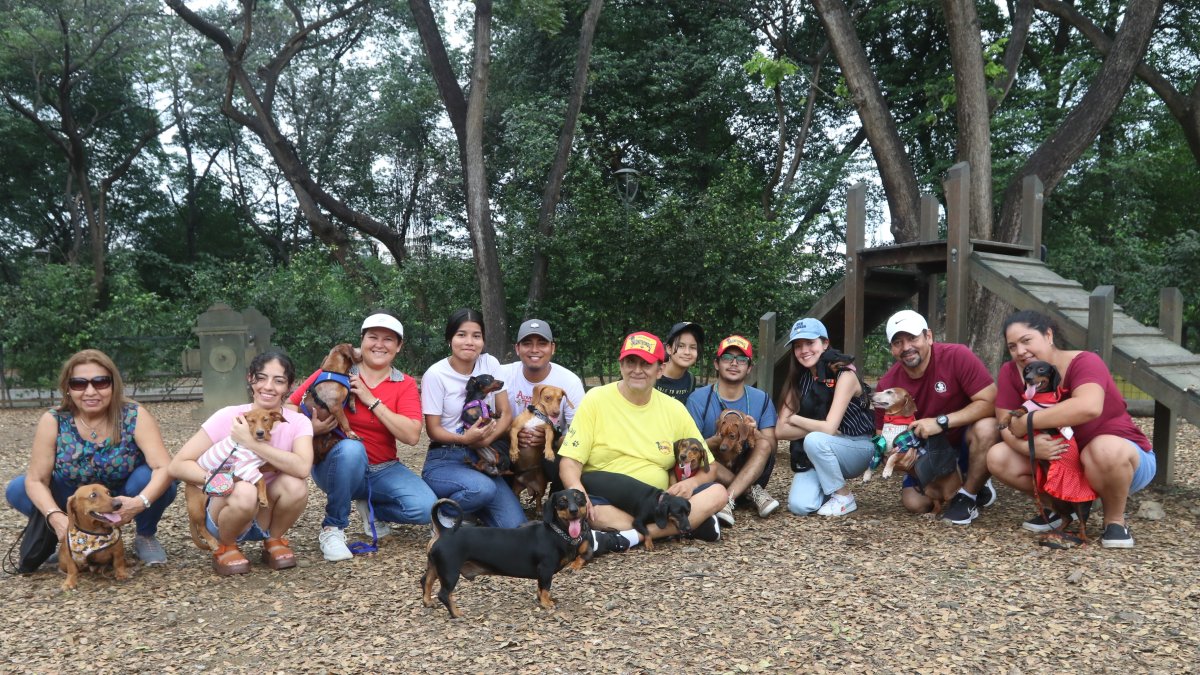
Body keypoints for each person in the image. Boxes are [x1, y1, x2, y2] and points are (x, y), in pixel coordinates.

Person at [986, 310, 1156, 548]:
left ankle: (1115, 521)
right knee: (998, 456)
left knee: (1102, 450)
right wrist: (1028, 447)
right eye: (1012, 346)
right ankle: (1064, 509)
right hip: (1063, 460)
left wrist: (1029, 421)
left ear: (1048, 335)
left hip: (1120, 459)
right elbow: (1005, 423)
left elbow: (1088, 407)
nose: (1020, 351)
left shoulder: (1085, 362)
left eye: (1026, 341)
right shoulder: (1011, 371)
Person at [5, 349, 178, 566]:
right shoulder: (54, 420)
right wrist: (55, 516)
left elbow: (164, 467)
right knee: (18, 489)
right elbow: (36, 480)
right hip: (76, 494)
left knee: (150, 477)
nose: (90, 391)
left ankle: (145, 534)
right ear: (68, 388)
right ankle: (77, 537)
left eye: (100, 382)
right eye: (79, 384)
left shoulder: (134, 415)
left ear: (113, 385)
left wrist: (138, 503)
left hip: (123, 491)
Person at [287, 313, 436, 562]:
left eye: (388, 339)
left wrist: (371, 400)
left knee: (424, 508)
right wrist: (311, 428)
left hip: (384, 468)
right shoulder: (334, 372)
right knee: (352, 449)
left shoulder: (405, 383)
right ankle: (333, 528)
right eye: (373, 337)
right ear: (362, 341)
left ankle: (372, 510)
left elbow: (411, 435)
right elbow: (289, 407)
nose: (379, 344)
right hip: (336, 464)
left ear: (399, 346)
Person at [559, 331, 728, 551]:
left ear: (660, 370)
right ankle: (686, 526)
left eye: (646, 364)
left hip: (659, 502)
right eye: (630, 362)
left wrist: (691, 484)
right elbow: (570, 462)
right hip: (608, 499)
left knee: (718, 493)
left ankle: (630, 536)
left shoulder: (674, 409)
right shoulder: (596, 399)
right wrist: (577, 488)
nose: (637, 370)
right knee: (595, 514)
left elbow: (710, 466)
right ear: (621, 365)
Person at [170, 351, 311, 575]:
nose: (268, 386)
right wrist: (219, 479)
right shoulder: (227, 416)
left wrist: (250, 442)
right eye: (261, 378)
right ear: (250, 379)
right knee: (245, 489)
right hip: (226, 510)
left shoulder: (298, 422)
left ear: (289, 386)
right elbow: (177, 465)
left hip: (265, 511)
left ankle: (273, 540)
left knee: (296, 485)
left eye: (279, 380)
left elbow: (303, 468)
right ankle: (226, 546)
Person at [874, 310, 1000, 524]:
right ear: (892, 349)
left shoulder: (956, 356)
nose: (906, 347)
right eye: (898, 342)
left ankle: (970, 491)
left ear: (929, 337)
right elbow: (882, 436)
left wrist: (942, 422)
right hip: (928, 453)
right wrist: (897, 458)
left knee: (988, 427)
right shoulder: (887, 385)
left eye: (912, 338)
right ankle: (960, 481)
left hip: (964, 441)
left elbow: (992, 401)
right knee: (915, 504)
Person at [421, 308, 525, 528]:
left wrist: (486, 440)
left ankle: (469, 508)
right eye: (461, 335)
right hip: (446, 457)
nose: (469, 342)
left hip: (483, 456)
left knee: (516, 527)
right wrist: (465, 440)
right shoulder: (436, 374)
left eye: (476, 336)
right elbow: (433, 429)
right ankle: (444, 515)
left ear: (483, 340)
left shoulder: (490, 364)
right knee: (482, 489)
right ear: (449, 339)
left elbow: (506, 413)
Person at [774, 319, 877, 516]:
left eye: (810, 343)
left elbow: (829, 429)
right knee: (800, 506)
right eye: (798, 346)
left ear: (825, 343)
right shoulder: (800, 378)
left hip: (857, 447)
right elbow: (780, 430)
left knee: (815, 440)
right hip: (820, 450)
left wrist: (794, 419)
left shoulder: (844, 374)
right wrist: (820, 428)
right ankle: (828, 488)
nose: (804, 350)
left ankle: (843, 497)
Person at [685, 334, 780, 525]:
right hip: (713, 475)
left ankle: (727, 500)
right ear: (716, 363)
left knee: (762, 444)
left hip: (749, 468)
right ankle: (750, 491)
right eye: (727, 358)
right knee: (699, 453)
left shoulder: (761, 399)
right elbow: (689, 451)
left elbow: (771, 447)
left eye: (742, 359)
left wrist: (754, 432)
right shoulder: (698, 399)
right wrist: (717, 440)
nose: (734, 363)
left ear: (749, 367)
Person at [499, 319, 587, 489]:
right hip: (510, 449)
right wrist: (511, 432)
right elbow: (490, 419)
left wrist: (551, 439)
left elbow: (577, 435)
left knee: (571, 459)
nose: (534, 349)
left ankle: (559, 497)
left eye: (542, 343)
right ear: (517, 348)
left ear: (552, 348)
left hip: (548, 452)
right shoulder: (503, 375)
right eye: (527, 343)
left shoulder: (570, 382)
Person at [655, 321, 703, 403]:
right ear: (669, 349)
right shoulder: (653, 374)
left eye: (693, 347)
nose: (687, 352)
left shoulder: (690, 380)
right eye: (681, 346)